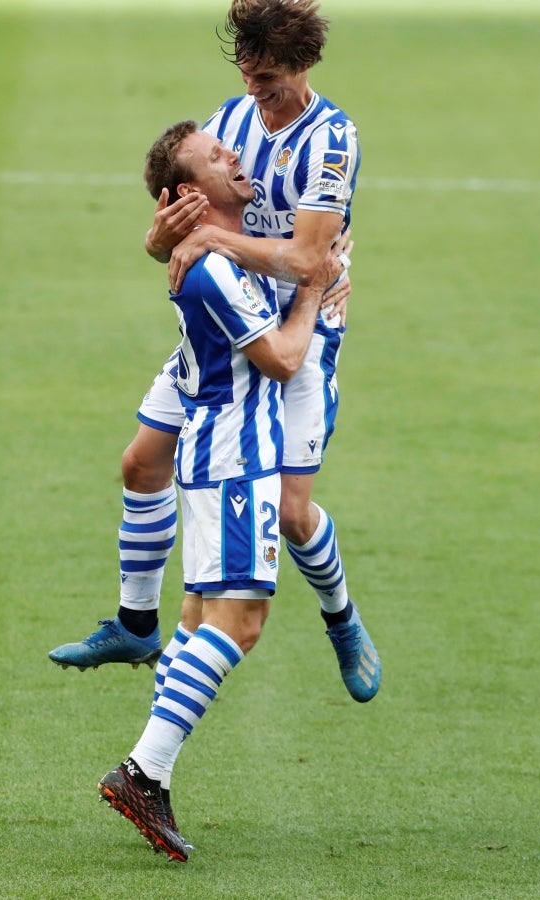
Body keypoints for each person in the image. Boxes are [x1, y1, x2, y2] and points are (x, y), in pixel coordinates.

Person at [49, 0, 381, 704]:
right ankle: (138, 624)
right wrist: (159, 241)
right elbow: (172, 226)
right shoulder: (227, 122)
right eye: (247, 74)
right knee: (141, 462)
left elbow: (307, 260)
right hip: (225, 323)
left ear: (304, 64)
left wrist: (215, 242)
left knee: (294, 516)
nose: (254, 92)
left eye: (267, 79)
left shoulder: (332, 140)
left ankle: (342, 620)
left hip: (298, 327)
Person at [98, 120, 350, 861]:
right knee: (240, 625)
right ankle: (143, 770)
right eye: (217, 158)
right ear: (186, 196)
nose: (236, 158)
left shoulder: (219, 258)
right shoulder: (208, 269)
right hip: (236, 460)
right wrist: (314, 294)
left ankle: (153, 772)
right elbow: (278, 359)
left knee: (200, 619)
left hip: (221, 457)